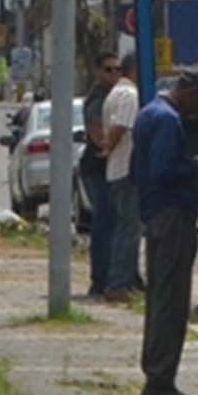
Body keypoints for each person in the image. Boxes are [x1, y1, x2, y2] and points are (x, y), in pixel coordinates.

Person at [130, 67, 198, 395]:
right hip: (172, 216)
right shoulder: (167, 120)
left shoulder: (151, 112)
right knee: (171, 298)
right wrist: (197, 164)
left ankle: (158, 372)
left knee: (162, 294)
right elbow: (162, 170)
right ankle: (160, 378)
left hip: (158, 215)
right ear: (187, 89)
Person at [99, 55, 143, 299]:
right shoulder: (129, 96)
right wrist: (109, 147)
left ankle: (128, 280)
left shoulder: (116, 93)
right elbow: (120, 127)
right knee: (129, 230)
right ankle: (118, 283)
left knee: (126, 228)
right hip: (126, 168)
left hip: (118, 169)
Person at [81, 57, 114, 297]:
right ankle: (100, 279)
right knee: (103, 223)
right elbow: (97, 136)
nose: (113, 74)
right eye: (108, 69)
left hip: (110, 169)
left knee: (114, 224)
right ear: (97, 72)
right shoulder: (97, 99)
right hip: (97, 169)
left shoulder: (115, 97)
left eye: (117, 69)